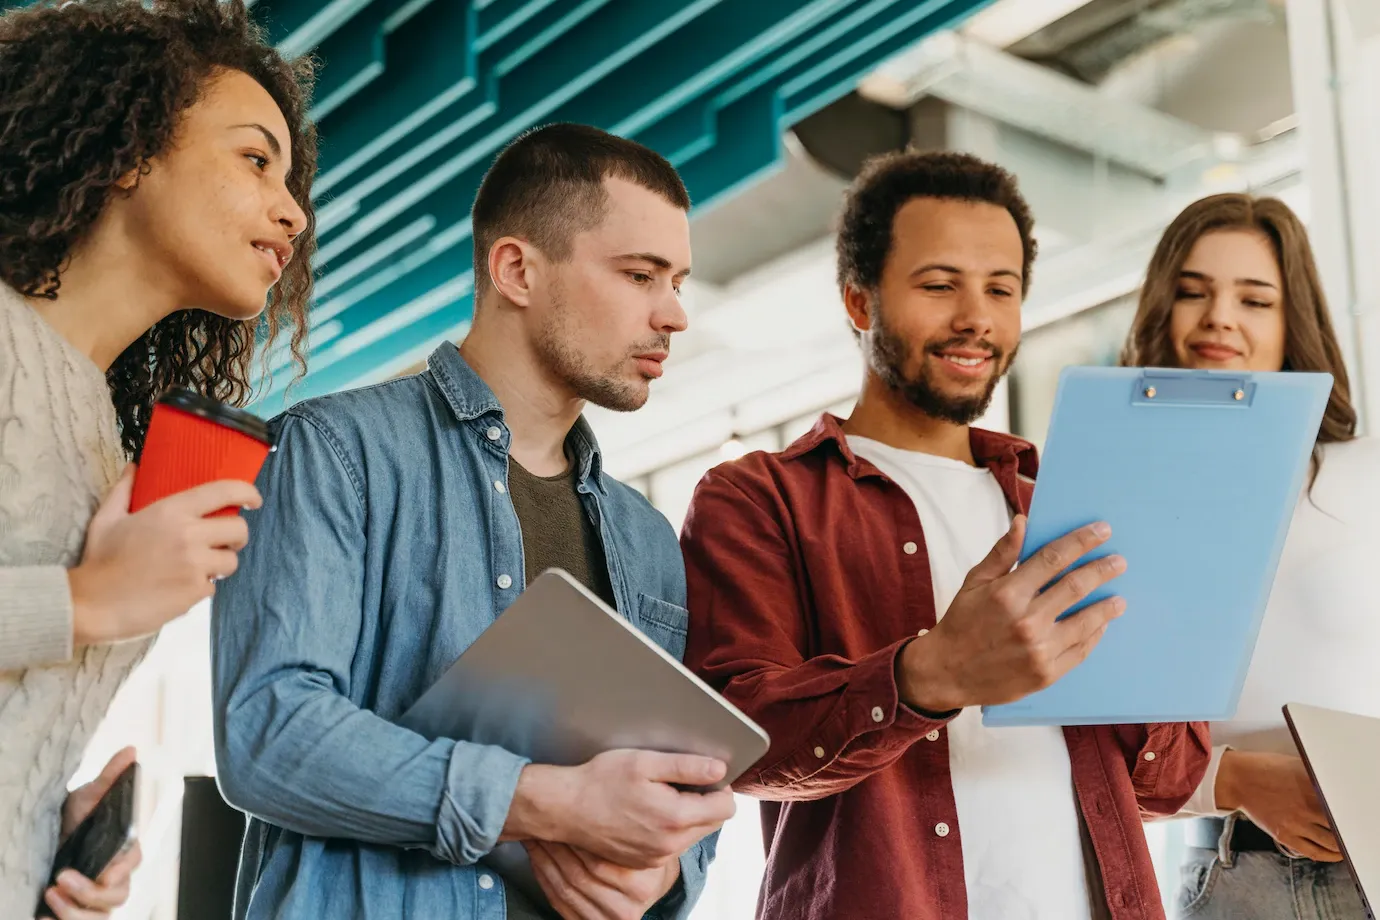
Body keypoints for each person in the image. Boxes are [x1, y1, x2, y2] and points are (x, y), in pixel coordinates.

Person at [211, 123, 734, 920]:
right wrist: (542, 800)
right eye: (640, 275)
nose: (674, 315)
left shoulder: (647, 541)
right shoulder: (334, 451)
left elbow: (673, 786)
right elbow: (268, 736)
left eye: (680, 281)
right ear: (516, 269)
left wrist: (663, 876)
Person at [680, 149, 1212, 920]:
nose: (977, 317)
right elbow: (736, 742)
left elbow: (1164, 780)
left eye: (1002, 289)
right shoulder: (760, 498)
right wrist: (926, 678)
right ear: (858, 302)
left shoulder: (1069, 507)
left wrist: (1159, 652)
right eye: (939, 286)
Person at [0, 0, 315, 915]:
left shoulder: (109, 441)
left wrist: (44, 842)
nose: (291, 211)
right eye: (256, 159)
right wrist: (88, 601)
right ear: (133, 149)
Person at [1122, 193, 1375, 920]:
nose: (1220, 318)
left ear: (1293, 321)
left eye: (1255, 298)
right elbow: (1098, 756)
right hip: (1238, 878)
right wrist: (1234, 778)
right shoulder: (1116, 504)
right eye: (1193, 293)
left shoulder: (1367, 475)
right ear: (1159, 314)